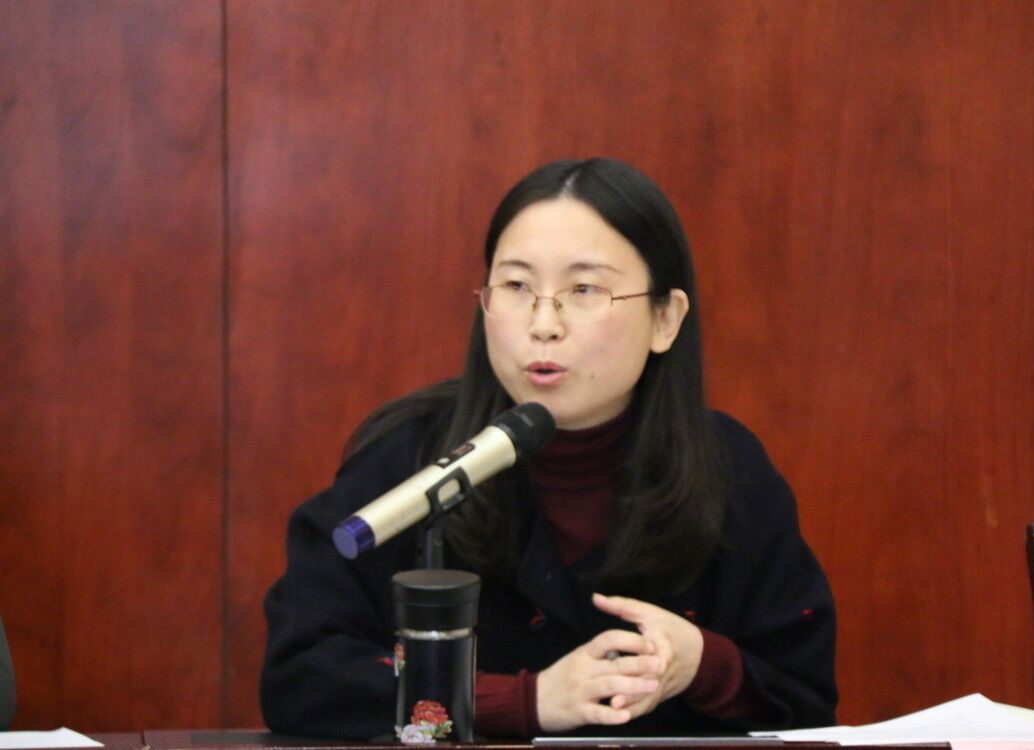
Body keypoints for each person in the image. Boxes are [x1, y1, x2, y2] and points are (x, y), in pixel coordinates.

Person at [259, 157, 837, 739]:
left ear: (665, 318)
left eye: (584, 289)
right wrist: (524, 701)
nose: (543, 324)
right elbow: (300, 673)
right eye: (516, 287)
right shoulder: (411, 456)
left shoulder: (728, 470)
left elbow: (805, 699)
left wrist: (701, 663)